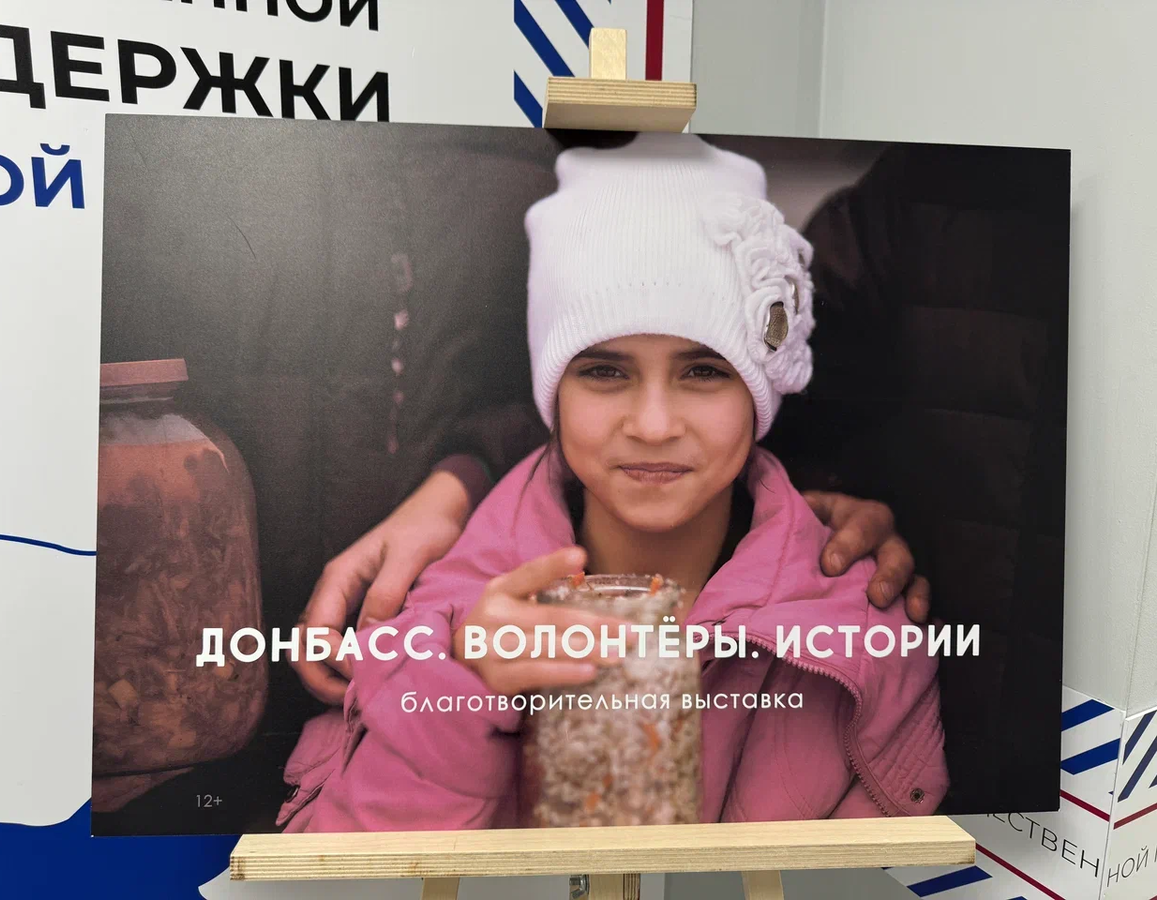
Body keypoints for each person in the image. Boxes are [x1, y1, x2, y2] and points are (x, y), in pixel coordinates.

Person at [276, 133, 948, 831]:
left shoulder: (861, 641)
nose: (653, 424)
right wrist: (460, 695)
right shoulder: (426, 615)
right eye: (604, 371)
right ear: (551, 395)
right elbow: (339, 866)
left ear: (762, 393)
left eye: (704, 371)